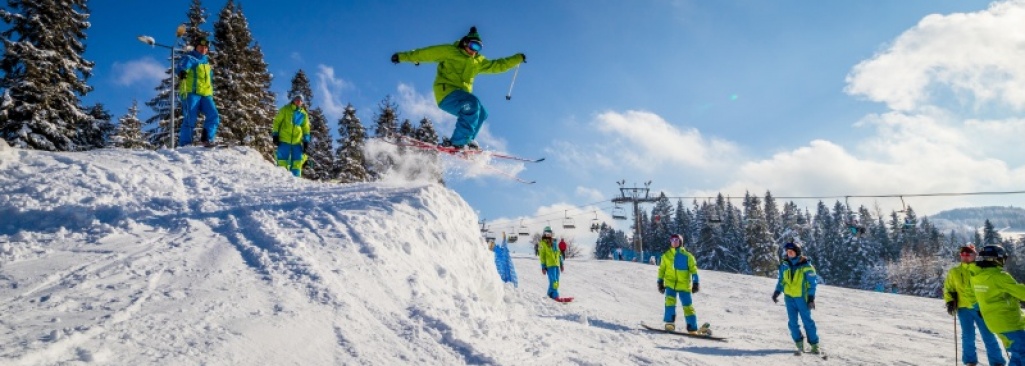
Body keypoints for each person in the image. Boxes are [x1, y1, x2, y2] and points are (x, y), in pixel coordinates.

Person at [391, 26, 526, 150]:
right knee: (473, 104)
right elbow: (425, 53)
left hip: (461, 97)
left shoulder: (477, 62)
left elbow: (498, 65)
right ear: (465, 43)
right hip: (446, 93)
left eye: (478, 48)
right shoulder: (450, 51)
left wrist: (516, 59)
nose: (474, 50)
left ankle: (467, 141)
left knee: (482, 113)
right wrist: (402, 57)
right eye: (473, 45)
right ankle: (457, 142)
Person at [944, 244, 1006, 366]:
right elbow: (948, 287)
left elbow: (988, 286)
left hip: (981, 308)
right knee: (967, 336)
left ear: (975, 255)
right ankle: (970, 361)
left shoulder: (980, 269)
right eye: (963, 254)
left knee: (988, 335)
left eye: (968, 254)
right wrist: (950, 300)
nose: (965, 256)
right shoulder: (954, 272)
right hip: (963, 308)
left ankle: (997, 362)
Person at [973, 245, 1025, 366]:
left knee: (1018, 354)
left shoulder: (977, 277)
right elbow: (1021, 293)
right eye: (1002, 258)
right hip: (1009, 322)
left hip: (994, 322)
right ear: (995, 259)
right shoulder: (1000, 276)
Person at [772, 240, 822, 355]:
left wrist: (811, 298)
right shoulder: (784, 265)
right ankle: (799, 344)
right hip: (789, 298)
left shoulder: (806, 266)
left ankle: (814, 345)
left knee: (807, 322)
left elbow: (812, 284)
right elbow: (781, 281)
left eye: (791, 252)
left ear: (797, 252)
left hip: (802, 298)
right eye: (788, 252)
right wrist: (777, 292)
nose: (789, 254)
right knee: (792, 322)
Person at [657, 234, 706, 334]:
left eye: (676, 240)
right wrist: (660, 282)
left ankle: (692, 328)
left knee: (688, 306)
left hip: (684, 286)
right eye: (672, 240)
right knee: (669, 303)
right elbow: (661, 270)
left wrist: (696, 283)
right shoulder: (666, 256)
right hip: (670, 285)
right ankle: (670, 324)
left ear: (680, 242)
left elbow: (694, 270)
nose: (674, 242)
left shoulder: (688, 256)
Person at [176, 38, 220, 147]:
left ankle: (207, 139)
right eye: (201, 47)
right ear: (196, 47)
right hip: (191, 92)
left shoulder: (207, 64)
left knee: (213, 116)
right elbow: (181, 68)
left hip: (206, 95)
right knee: (190, 118)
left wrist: (210, 93)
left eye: (205, 48)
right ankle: (186, 144)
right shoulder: (189, 58)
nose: (203, 49)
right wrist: (182, 73)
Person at [271, 96, 311, 177]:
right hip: (284, 139)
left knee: (297, 161)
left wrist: (306, 141)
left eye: (300, 101)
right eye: (297, 100)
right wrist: (275, 135)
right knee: (282, 160)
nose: (298, 102)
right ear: (293, 100)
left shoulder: (303, 114)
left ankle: (296, 180)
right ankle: (281, 178)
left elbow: (306, 128)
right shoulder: (285, 109)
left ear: (302, 102)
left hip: (297, 141)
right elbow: (277, 122)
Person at [537, 226, 564, 300]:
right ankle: (555, 295)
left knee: (557, 280)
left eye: (550, 233)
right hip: (550, 265)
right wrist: (543, 267)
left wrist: (561, 264)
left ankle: (550, 293)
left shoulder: (555, 243)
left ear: (552, 234)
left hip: (556, 265)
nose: (548, 234)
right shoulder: (542, 243)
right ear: (544, 234)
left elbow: (559, 254)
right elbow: (542, 256)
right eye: (546, 233)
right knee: (553, 281)